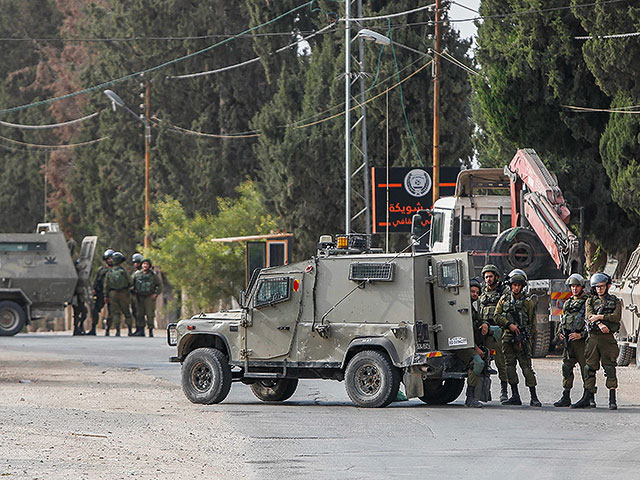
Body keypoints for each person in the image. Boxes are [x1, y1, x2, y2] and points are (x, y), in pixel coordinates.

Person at [572, 272, 622, 410]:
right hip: (593, 337)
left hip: (608, 338)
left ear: (607, 286)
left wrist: (600, 317)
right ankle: (589, 399)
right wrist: (600, 324)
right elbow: (589, 316)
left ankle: (612, 400)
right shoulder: (590, 301)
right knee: (589, 368)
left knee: (610, 368)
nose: (600, 289)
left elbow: (616, 316)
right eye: (597, 287)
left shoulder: (615, 301)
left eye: (602, 286)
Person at [495, 269, 541, 407]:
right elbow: (496, 316)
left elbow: (532, 323)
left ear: (522, 286)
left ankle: (534, 397)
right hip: (507, 337)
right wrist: (509, 325)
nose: (516, 288)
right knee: (509, 367)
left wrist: (527, 339)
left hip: (522, 339)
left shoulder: (527, 302)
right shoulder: (504, 300)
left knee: (526, 368)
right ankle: (515, 395)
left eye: (519, 285)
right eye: (514, 285)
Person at [553, 274, 588, 407]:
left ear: (582, 287)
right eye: (572, 286)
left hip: (582, 342)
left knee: (586, 369)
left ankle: (588, 396)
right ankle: (566, 396)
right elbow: (562, 320)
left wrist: (581, 335)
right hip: (569, 342)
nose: (574, 289)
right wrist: (559, 334)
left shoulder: (587, 302)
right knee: (566, 368)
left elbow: (590, 323)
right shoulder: (568, 303)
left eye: (577, 286)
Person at [478, 264, 509, 403]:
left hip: (498, 331)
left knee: (501, 362)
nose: (488, 279)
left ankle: (504, 391)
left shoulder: (503, 292)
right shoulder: (482, 293)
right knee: (484, 361)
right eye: (486, 277)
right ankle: (485, 391)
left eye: (490, 276)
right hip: (484, 330)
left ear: (496, 277)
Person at [464, 278, 497, 408]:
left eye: (477, 293)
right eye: (472, 291)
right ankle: (470, 397)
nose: (475, 294)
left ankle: (487, 359)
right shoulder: (462, 309)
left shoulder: (472, 308)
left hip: (472, 342)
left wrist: (485, 324)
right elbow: (463, 334)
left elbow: (480, 319)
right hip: (463, 344)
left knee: (496, 330)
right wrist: (476, 349)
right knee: (478, 362)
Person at [103, 251, 133, 337]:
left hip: (112, 294)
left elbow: (106, 285)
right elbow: (130, 282)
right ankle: (130, 330)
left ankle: (117, 331)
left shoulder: (110, 272)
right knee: (127, 312)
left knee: (116, 313)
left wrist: (106, 295)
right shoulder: (123, 271)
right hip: (124, 293)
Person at [132, 258, 162, 337]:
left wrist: (156, 294)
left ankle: (150, 330)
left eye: (147, 264)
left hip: (149, 296)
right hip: (139, 297)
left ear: (149, 266)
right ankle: (141, 330)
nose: (145, 266)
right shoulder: (137, 274)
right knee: (139, 314)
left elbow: (159, 285)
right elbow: (132, 283)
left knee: (150, 314)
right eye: (144, 264)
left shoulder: (153, 275)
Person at [87, 249, 113, 335]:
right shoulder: (101, 270)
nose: (110, 260)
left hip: (111, 293)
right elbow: (96, 280)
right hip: (100, 292)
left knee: (111, 312)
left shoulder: (116, 270)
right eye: (108, 259)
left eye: (111, 258)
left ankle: (108, 329)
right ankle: (93, 327)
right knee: (95, 310)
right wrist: (94, 289)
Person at [129, 253, 144, 321]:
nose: (136, 264)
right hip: (134, 295)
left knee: (140, 313)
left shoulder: (145, 273)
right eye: (135, 263)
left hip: (142, 295)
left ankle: (141, 326)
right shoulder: (135, 273)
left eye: (137, 263)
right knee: (135, 312)